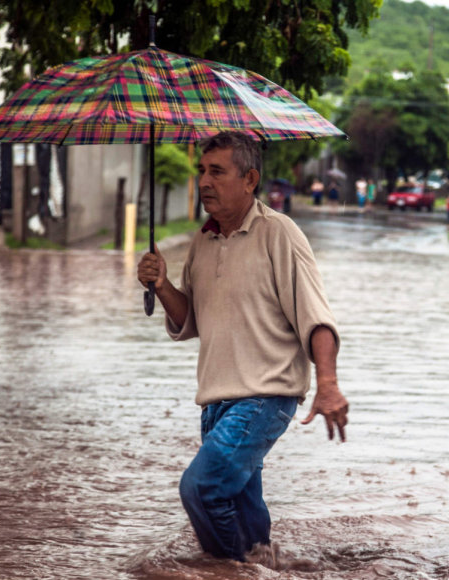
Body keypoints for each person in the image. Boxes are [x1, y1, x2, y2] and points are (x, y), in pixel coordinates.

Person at [136, 131, 348, 563]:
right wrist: (160, 285)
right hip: (215, 404)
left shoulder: (280, 234)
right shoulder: (202, 240)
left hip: (265, 396)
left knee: (201, 488)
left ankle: (227, 574)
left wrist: (328, 384)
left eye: (217, 172)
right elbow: (190, 319)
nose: (204, 182)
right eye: (202, 172)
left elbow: (317, 318)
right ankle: (262, 568)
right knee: (251, 533)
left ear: (250, 179)